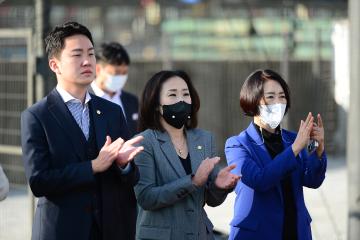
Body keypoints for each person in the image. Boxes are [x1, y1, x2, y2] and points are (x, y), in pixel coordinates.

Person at [21, 21, 143, 240]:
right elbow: (39, 182)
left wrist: (124, 165)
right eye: (77, 55)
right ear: (54, 65)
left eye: (91, 54)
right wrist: (93, 166)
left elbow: (132, 177)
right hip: (62, 231)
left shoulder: (112, 112)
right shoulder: (37, 116)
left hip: (111, 229)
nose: (87, 61)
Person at [134, 70, 240, 240]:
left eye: (185, 94)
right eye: (172, 95)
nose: (181, 100)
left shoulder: (205, 139)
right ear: (156, 104)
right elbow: (146, 198)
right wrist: (193, 181)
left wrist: (219, 187)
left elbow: (209, 200)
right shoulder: (144, 142)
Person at [225, 69, 327, 240]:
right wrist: (295, 149)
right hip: (257, 233)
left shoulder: (293, 139)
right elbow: (259, 180)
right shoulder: (237, 144)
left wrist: (317, 145)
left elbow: (312, 180)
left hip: (295, 230)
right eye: (270, 97)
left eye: (282, 96)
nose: (278, 102)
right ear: (253, 99)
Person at [90, 42, 139, 136]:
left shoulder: (132, 101)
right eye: (116, 72)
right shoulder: (84, 98)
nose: (121, 76)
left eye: (124, 72)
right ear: (98, 69)